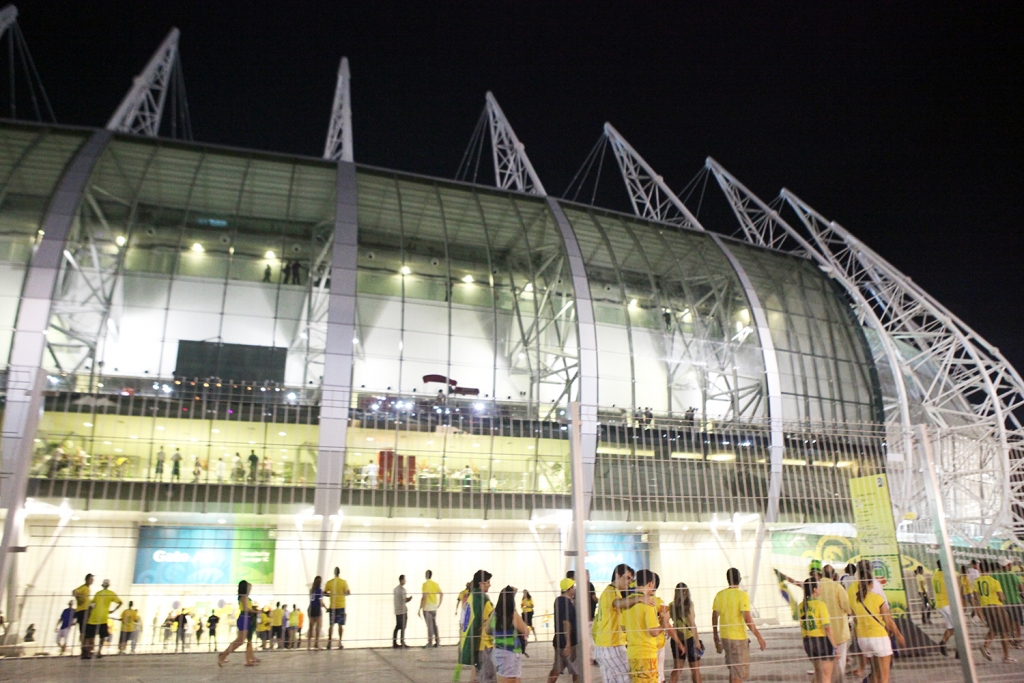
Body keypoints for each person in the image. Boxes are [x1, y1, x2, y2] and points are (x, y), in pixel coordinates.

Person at [849, 562, 904, 683]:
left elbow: (854, 616)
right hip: (879, 637)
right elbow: (888, 620)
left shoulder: (852, 591)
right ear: (871, 583)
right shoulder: (877, 597)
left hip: (863, 638)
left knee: (875, 672)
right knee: (883, 677)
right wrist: (898, 635)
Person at [593, 563, 645, 683]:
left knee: (611, 680)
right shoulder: (612, 591)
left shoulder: (608, 592)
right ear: (617, 575)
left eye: (631, 579)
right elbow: (618, 603)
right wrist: (640, 598)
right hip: (612, 645)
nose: (629, 582)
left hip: (602, 646)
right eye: (627, 578)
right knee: (627, 677)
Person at [711, 568, 765, 683]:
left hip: (725, 637)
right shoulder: (742, 595)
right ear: (739, 579)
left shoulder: (720, 595)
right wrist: (759, 637)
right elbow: (747, 618)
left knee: (733, 670)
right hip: (738, 639)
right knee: (738, 674)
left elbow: (714, 616)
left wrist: (715, 636)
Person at [623, 569, 670, 683]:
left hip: (632, 654)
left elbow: (622, 628)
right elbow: (653, 632)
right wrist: (664, 623)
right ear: (651, 584)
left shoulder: (628, 602)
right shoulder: (649, 603)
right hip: (646, 655)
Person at [485, 585, 530, 683]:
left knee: (515, 680)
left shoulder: (495, 614)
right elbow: (525, 630)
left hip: (499, 650)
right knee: (507, 680)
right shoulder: (512, 614)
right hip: (509, 653)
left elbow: (487, 630)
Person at [457, 569, 495, 683]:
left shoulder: (472, 596)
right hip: (484, 643)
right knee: (487, 678)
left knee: (477, 676)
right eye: (488, 582)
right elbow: (493, 619)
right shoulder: (483, 599)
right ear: (481, 583)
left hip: (472, 642)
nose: (490, 584)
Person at [976, 559, 1014, 663]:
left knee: (994, 629)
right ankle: (1006, 656)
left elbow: (976, 597)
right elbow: (1001, 597)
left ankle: (985, 645)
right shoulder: (994, 581)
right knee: (1004, 632)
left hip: (985, 608)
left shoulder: (976, 582)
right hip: (997, 607)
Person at [799, 577, 836, 683]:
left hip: (808, 641)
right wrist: (835, 646)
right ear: (815, 589)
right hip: (822, 642)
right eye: (819, 586)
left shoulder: (801, 605)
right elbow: (827, 627)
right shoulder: (820, 605)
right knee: (826, 677)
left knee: (818, 674)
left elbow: (802, 626)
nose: (821, 588)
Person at [819, 565, 851, 681]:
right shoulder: (837, 587)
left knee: (824, 665)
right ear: (833, 575)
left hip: (820, 632)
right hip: (839, 631)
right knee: (840, 662)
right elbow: (847, 607)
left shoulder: (816, 587)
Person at [219, 580, 258, 667]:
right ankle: (223, 655)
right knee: (240, 641)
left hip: (247, 619)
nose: (250, 589)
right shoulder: (243, 597)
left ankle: (224, 655)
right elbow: (246, 609)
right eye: (248, 587)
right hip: (244, 618)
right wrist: (256, 611)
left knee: (242, 640)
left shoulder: (246, 597)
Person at [669, 583, 702, 683]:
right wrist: (697, 642)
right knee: (695, 670)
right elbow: (692, 624)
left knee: (678, 668)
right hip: (689, 639)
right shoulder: (689, 606)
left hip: (676, 639)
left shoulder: (671, 605)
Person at [547, 577, 578, 683]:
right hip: (568, 643)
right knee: (577, 671)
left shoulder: (558, 601)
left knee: (557, 668)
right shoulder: (568, 604)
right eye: (573, 588)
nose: (574, 590)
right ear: (569, 589)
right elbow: (566, 623)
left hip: (558, 641)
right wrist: (568, 643)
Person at [83, 579, 122, 659]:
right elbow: (120, 602)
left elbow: (91, 605)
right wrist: (112, 611)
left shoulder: (98, 593)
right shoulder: (111, 594)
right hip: (103, 617)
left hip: (93, 617)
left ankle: (88, 652)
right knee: (102, 636)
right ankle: (99, 652)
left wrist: (88, 615)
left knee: (90, 636)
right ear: (108, 585)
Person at [993, 558, 1023, 646]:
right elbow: (1021, 588)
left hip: (1001, 602)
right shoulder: (1012, 575)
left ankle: (1011, 637)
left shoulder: (994, 575)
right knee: (1017, 621)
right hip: (1014, 601)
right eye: (1009, 564)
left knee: (1008, 621)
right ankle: (1017, 639)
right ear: (1006, 565)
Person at [932, 560, 955, 656]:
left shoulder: (935, 575)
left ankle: (943, 642)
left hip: (939, 604)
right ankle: (960, 650)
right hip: (947, 604)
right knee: (959, 627)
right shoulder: (946, 576)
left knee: (951, 627)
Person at [325, 566, 350, 649]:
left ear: (334, 572)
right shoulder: (344, 582)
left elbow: (325, 593)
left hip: (332, 606)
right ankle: (340, 642)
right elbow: (348, 592)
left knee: (331, 625)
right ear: (339, 572)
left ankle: (329, 643)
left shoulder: (329, 582)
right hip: (341, 607)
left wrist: (331, 595)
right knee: (340, 625)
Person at [420, 569, 443, 648]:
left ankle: (430, 642)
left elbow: (424, 596)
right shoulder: (435, 584)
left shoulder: (425, 584)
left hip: (427, 608)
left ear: (426, 575)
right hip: (434, 608)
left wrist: (420, 608)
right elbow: (441, 594)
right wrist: (439, 604)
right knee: (434, 625)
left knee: (429, 626)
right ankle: (437, 641)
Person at [72, 573, 94, 655]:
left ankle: (86, 648)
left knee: (86, 631)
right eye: (91, 579)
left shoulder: (87, 589)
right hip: (82, 611)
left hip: (86, 611)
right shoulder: (83, 587)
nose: (92, 581)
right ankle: (84, 648)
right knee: (83, 631)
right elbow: (74, 591)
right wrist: (78, 598)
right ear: (87, 579)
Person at [393, 574, 413, 648]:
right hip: (403, 611)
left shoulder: (395, 589)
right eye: (404, 579)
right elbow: (405, 600)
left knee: (397, 627)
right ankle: (402, 642)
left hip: (397, 610)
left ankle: (394, 642)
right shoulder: (402, 590)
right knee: (403, 627)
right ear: (401, 580)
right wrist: (410, 598)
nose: (405, 581)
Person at [308, 575, 325, 650]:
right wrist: (326, 607)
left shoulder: (311, 590)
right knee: (318, 627)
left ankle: (308, 644)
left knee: (311, 627)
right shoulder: (319, 590)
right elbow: (320, 601)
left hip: (311, 608)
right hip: (317, 609)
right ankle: (316, 643)